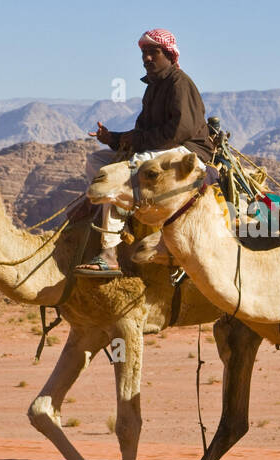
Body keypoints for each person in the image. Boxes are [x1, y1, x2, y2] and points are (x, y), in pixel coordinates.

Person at [75, 28, 215, 276]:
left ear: (169, 54)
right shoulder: (153, 87)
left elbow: (179, 131)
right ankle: (119, 213)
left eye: (154, 52)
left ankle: (109, 252)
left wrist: (137, 140)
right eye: (144, 53)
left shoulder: (179, 83)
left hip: (186, 151)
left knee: (129, 171)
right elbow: (142, 132)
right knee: (97, 161)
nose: (147, 58)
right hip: (158, 149)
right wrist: (113, 139)